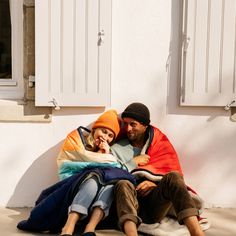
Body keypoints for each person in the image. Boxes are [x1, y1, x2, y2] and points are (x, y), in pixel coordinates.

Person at [110, 102, 205, 236]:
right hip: (128, 205)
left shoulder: (159, 143)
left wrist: (155, 183)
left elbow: (168, 169)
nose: (128, 129)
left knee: (174, 177)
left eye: (133, 124)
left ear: (144, 125)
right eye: (125, 124)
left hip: (154, 207)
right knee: (122, 183)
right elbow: (110, 174)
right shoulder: (117, 148)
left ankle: (197, 233)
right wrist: (133, 163)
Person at [57, 109, 132, 236]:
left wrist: (105, 154)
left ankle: (90, 227)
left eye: (110, 136)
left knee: (110, 185)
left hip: (97, 188)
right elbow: (66, 163)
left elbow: (115, 167)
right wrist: (104, 159)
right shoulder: (76, 138)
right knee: (92, 181)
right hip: (73, 182)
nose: (105, 137)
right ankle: (68, 227)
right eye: (103, 131)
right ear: (95, 129)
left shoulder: (106, 152)